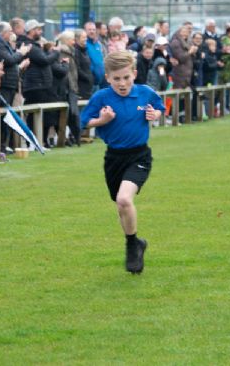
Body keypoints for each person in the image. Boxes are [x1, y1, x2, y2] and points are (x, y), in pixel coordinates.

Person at [81, 51, 165, 274]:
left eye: (126, 77)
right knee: (121, 206)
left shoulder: (145, 93)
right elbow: (83, 121)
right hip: (113, 159)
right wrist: (102, 120)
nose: (122, 83)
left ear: (134, 74)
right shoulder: (101, 97)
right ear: (107, 77)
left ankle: (131, 247)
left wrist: (155, 115)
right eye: (116, 78)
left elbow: (160, 107)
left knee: (124, 199)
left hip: (139, 156)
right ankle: (136, 243)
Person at [17, 19, 60, 148]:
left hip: (41, 85)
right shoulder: (29, 46)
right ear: (31, 31)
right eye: (38, 29)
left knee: (45, 115)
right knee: (35, 116)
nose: (41, 32)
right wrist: (55, 52)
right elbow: (44, 60)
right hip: (36, 86)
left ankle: (41, 141)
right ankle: (35, 142)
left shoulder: (34, 45)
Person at [0, 21, 30, 153]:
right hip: (5, 84)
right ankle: (1, 147)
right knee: (4, 116)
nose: (11, 33)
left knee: (8, 115)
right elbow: (9, 60)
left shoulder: (4, 44)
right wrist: (21, 53)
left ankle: (5, 145)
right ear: (4, 32)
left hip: (10, 84)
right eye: (9, 31)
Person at [84, 21, 105, 90]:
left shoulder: (98, 44)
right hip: (89, 82)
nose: (92, 31)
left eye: (93, 29)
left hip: (99, 82)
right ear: (85, 31)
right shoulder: (84, 44)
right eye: (89, 29)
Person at [74, 29, 94, 99]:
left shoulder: (84, 50)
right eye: (83, 37)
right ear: (77, 39)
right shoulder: (76, 51)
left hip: (88, 85)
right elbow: (77, 68)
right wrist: (87, 77)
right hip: (81, 85)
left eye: (86, 37)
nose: (86, 39)